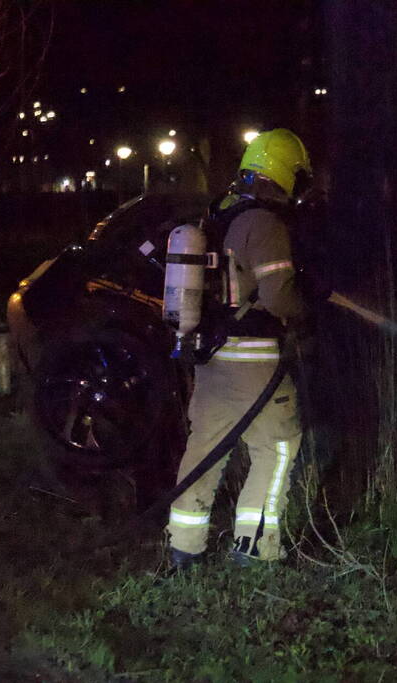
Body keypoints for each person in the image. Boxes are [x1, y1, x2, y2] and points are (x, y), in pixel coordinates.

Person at [167, 128, 313, 568]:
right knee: (278, 447)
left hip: (212, 359)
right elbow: (277, 298)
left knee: (205, 452)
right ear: (284, 174)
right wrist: (308, 306)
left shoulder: (219, 216)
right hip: (256, 362)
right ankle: (255, 548)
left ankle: (183, 549)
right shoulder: (264, 224)